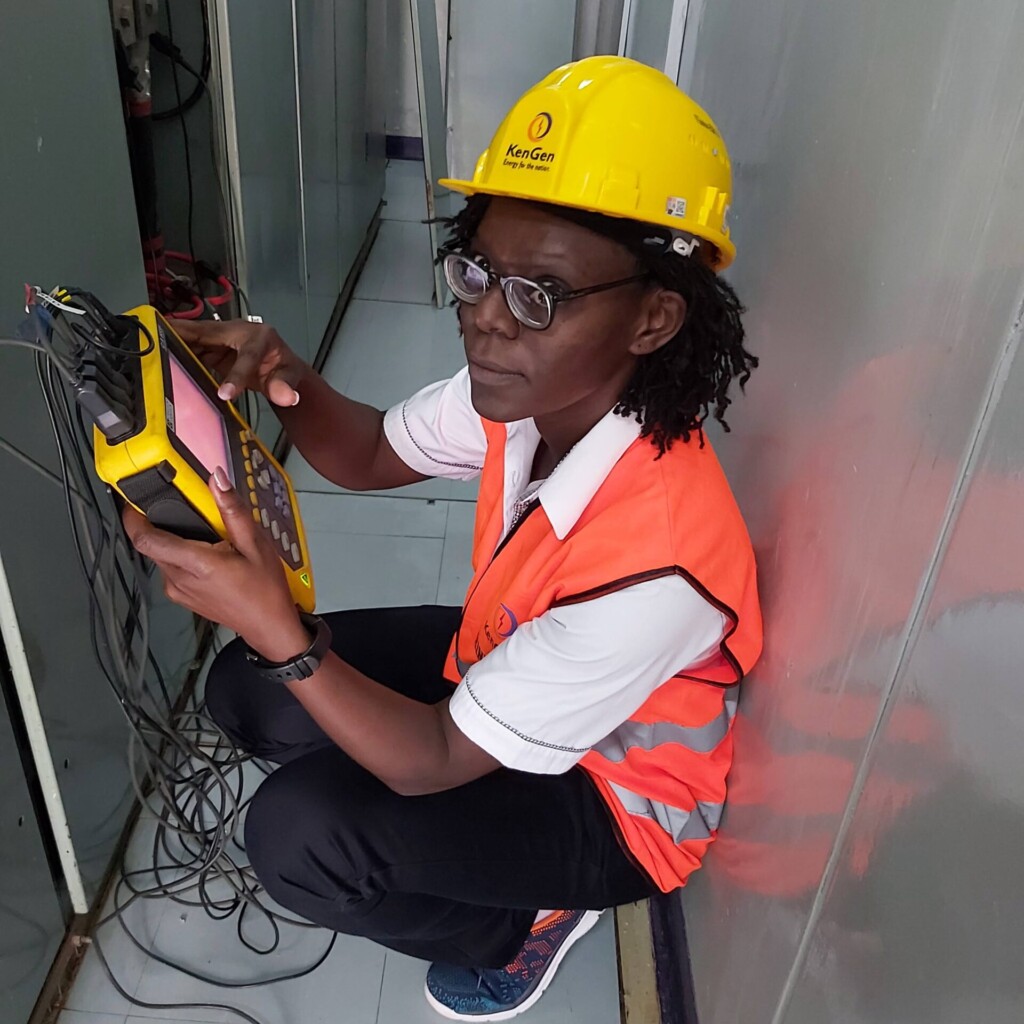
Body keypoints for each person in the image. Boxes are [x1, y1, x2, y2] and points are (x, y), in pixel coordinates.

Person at [123, 55, 763, 1021]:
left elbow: (427, 758)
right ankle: (429, 824)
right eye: (480, 274)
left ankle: (517, 928)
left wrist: (286, 637)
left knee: (302, 838)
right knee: (246, 691)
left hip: (618, 799)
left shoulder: (660, 564)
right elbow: (373, 451)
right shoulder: (532, 391)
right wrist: (279, 365)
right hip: (507, 666)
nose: (488, 323)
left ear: (653, 317)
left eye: (541, 294)